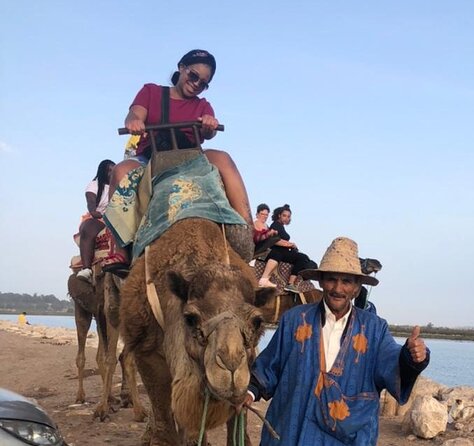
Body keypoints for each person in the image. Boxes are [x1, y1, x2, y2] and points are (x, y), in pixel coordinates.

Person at [245, 237, 430, 445]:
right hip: (290, 431)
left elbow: (392, 360)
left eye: (346, 281)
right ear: (322, 281)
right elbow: (270, 366)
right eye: (332, 279)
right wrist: (249, 393)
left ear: (357, 288)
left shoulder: (375, 329)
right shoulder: (295, 320)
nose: (338, 288)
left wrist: (412, 357)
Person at [104, 49, 253, 272]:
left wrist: (209, 125)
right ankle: (121, 247)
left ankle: (247, 227)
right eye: (193, 76)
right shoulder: (151, 92)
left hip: (190, 158)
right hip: (152, 157)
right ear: (181, 68)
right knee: (121, 170)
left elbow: (209, 134)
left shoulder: (202, 105)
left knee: (223, 158)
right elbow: (134, 114)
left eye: (203, 83)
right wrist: (135, 121)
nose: (196, 84)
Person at [257, 204, 316, 292]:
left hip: (283, 251)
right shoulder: (276, 225)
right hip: (278, 251)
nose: (286, 218)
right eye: (284, 215)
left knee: (305, 258)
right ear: (279, 215)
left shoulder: (280, 226)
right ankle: (290, 284)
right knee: (302, 258)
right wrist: (290, 245)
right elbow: (275, 240)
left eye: (288, 216)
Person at [76, 160, 116, 283]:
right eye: (109, 171)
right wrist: (94, 212)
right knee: (88, 228)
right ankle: (86, 268)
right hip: (99, 218)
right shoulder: (94, 185)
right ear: (102, 172)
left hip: (116, 217)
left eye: (113, 171)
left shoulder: (120, 185)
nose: (111, 173)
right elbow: (91, 202)